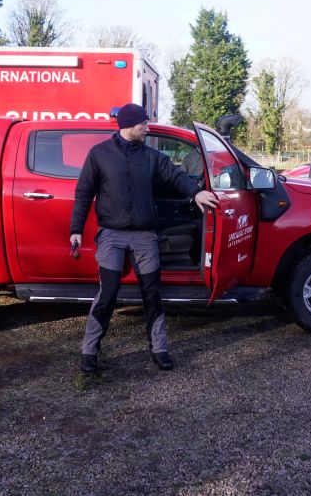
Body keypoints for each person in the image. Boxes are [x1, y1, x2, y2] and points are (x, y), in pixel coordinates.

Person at [69, 103, 219, 373]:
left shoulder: (152, 157)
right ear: (129, 125)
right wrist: (75, 229)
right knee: (108, 293)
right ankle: (89, 351)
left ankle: (159, 349)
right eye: (144, 124)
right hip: (111, 235)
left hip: (145, 236)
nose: (148, 128)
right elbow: (83, 193)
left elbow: (175, 176)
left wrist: (195, 192)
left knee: (152, 293)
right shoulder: (99, 154)